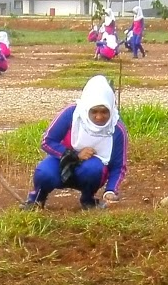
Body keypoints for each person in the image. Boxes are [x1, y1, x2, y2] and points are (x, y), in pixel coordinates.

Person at [25, 75, 128, 210]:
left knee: (94, 169)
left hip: (90, 168)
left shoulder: (116, 128)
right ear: (87, 108)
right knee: (44, 172)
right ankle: (37, 199)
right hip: (61, 161)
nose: (99, 117)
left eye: (104, 112)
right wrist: (74, 155)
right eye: (94, 111)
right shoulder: (72, 114)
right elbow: (47, 142)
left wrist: (110, 190)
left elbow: (118, 165)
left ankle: (88, 200)